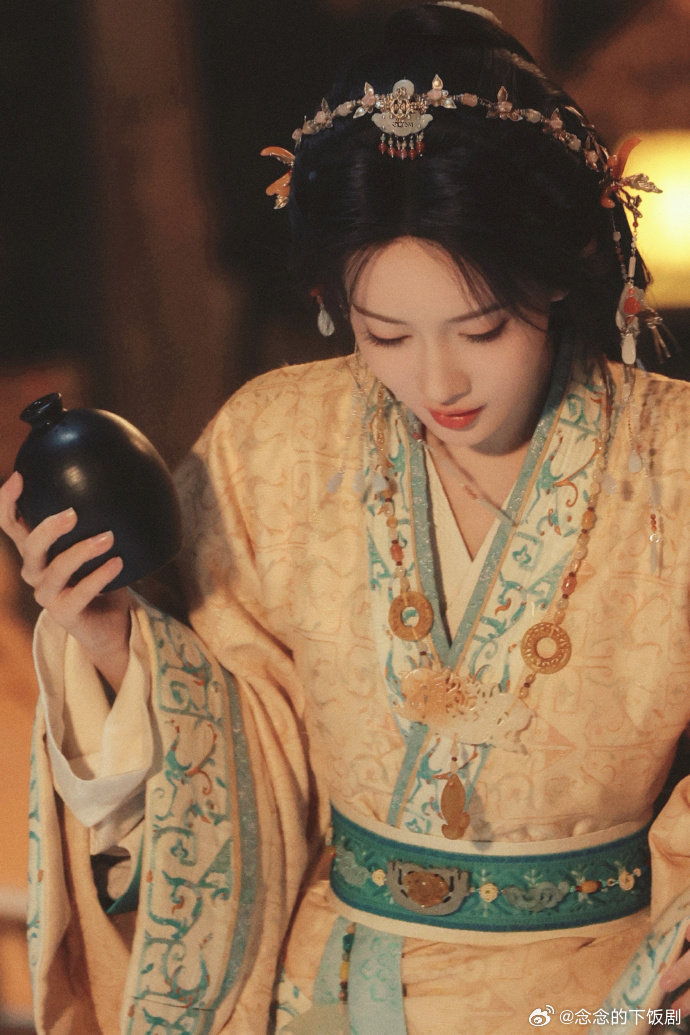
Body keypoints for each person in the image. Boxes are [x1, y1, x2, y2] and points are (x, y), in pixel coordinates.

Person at [2, 4, 690, 1032]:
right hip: (325, 991)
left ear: (560, 273)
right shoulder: (274, 443)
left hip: (598, 994)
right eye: (386, 334)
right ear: (336, 303)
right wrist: (110, 638)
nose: (438, 381)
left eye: (481, 329)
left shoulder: (674, 457)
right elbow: (242, 729)